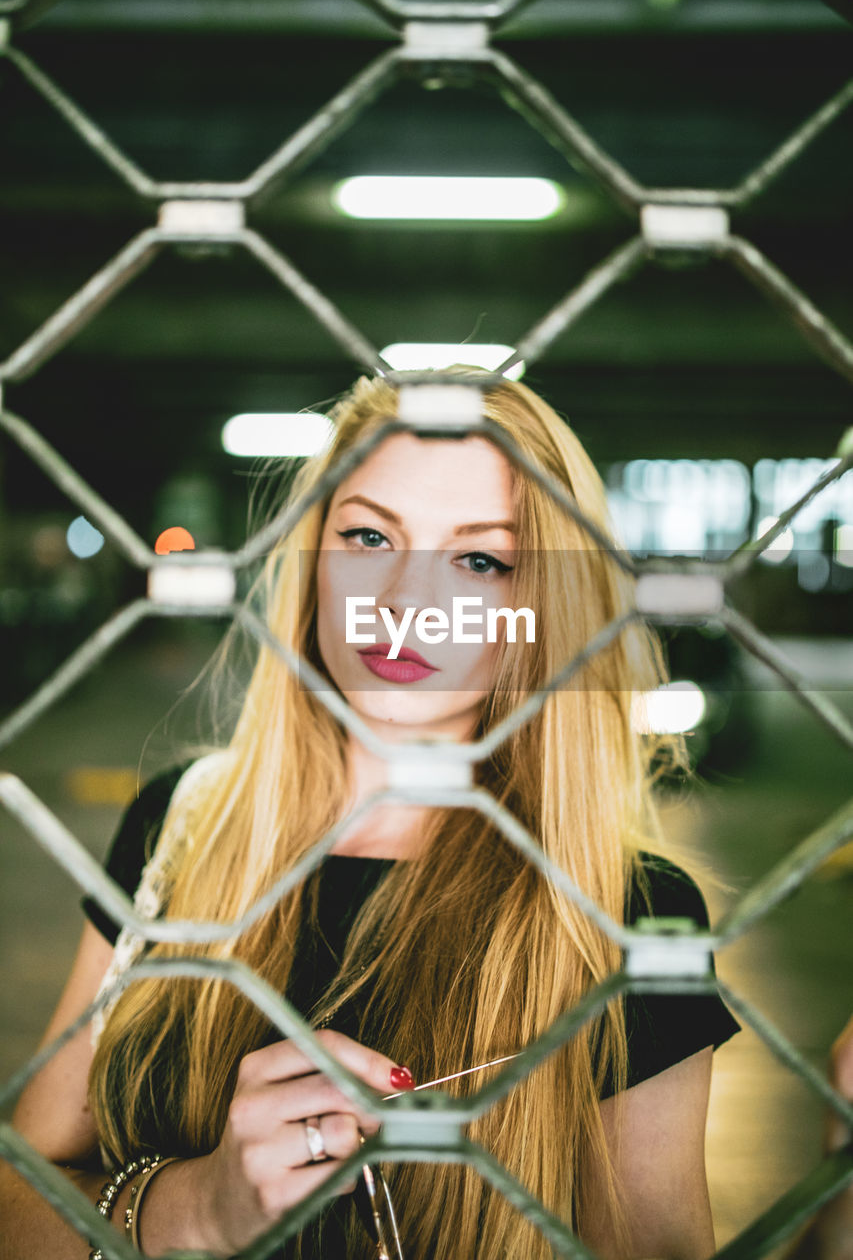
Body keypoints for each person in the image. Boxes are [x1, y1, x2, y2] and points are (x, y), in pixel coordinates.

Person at [1, 371, 850, 1260]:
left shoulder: (623, 913)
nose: (404, 603)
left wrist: (837, 1222)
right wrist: (193, 1213)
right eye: (369, 536)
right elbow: (21, 1185)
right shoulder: (181, 826)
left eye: (480, 560)